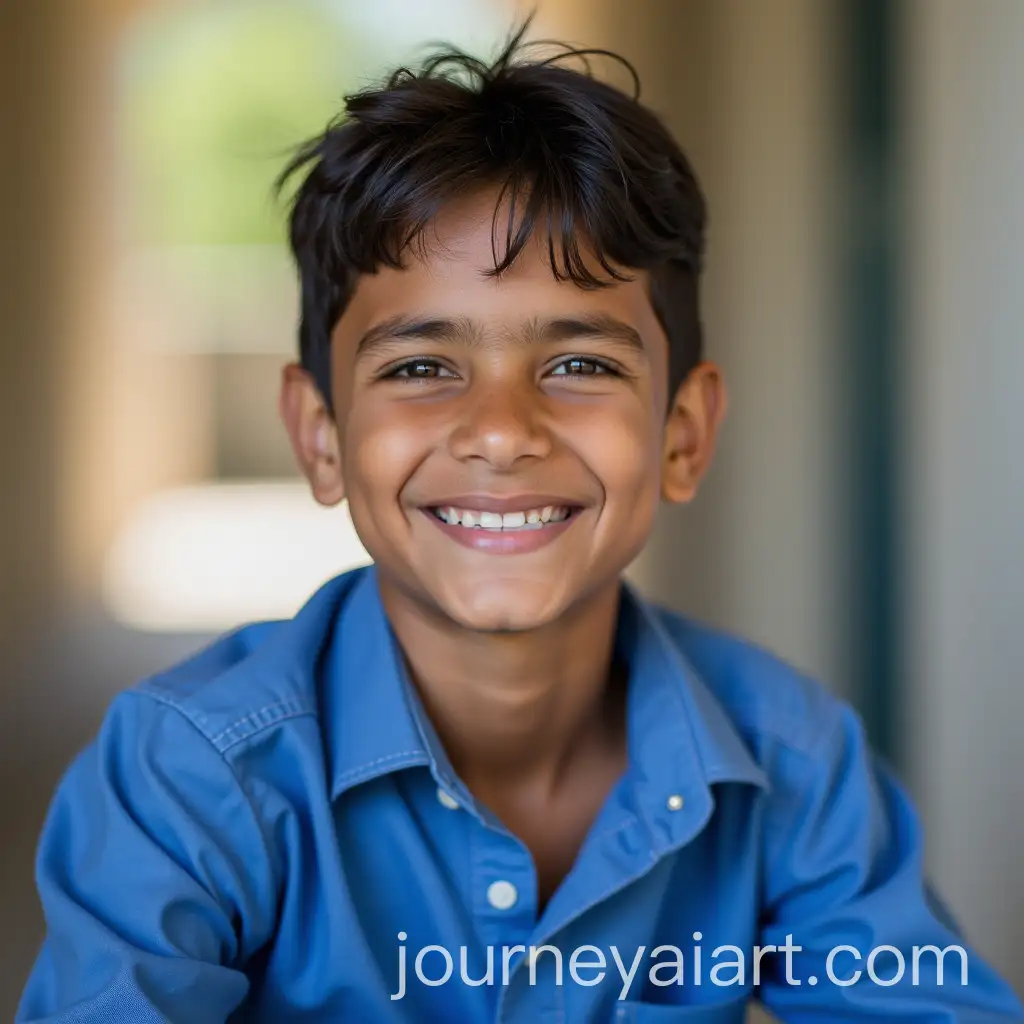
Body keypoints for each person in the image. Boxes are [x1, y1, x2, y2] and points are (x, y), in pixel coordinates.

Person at [17, 23, 1023, 1024]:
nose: (500, 432)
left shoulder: (791, 763)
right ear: (321, 435)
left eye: (580, 363)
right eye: (419, 367)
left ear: (682, 433)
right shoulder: (191, 773)